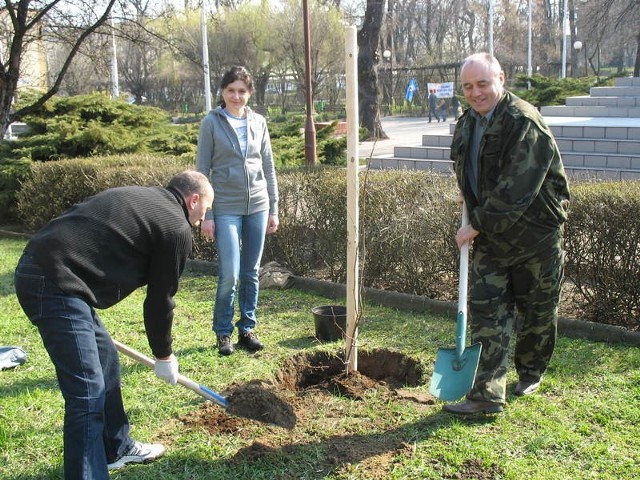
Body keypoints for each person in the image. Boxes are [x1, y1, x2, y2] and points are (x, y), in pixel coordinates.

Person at [14, 171, 214, 478]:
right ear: (194, 199)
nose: (203, 219)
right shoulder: (176, 226)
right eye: (206, 210)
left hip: (48, 271)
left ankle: (115, 448)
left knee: (105, 359)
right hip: (55, 282)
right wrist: (164, 355)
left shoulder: (146, 198)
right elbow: (161, 300)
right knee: (87, 392)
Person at [444, 53, 570, 415]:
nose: (475, 92)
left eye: (482, 84)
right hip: (491, 237)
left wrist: (476, 224)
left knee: (537, 313)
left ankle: (530, 371)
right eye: (468, 86)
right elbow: (466, 166)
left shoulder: (524, 122)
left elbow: (517, 190)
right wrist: (468, 193)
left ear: (501, 77)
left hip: (535, 237)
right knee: (488, 312)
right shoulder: (467, 122)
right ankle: (486, 395)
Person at [196, 65, 279, 356]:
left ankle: (247, 328)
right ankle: (222, 332)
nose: (237, 96)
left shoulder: (259, 122)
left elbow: (267, 166)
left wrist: (274, 207)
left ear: (249, 93)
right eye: (231, 90)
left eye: (242, 91)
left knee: (251, 271)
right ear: (222, 91)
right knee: (230, 273)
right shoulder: (211, 122)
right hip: (225, 206)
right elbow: (202, 170)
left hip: (258, 204)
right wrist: (207, 214)